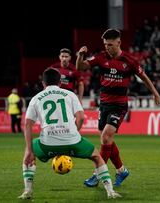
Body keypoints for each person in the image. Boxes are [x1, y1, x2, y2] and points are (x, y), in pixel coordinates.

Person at [18, 68, 120, 200]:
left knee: (28, 152)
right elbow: (81, 117)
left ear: (43, 83)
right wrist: (72, 133)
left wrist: (31, 151)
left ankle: (28, 191)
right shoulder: (70, 94)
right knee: (97, 157)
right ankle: (110, 191)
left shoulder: (36, 98)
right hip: (73, 142)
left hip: (47, 144)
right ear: (60, 82)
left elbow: (27, 125)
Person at [76, 29, 160, 187]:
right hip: (104, 104)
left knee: (106, 137)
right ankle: (122, 170)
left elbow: (143, 77)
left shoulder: (129, 61)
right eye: (105, 44)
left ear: (118, 42)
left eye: (110, 44)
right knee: (107, 139)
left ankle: (97, 174)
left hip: (119, 105)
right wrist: (80, 55)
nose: (107, 47)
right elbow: (81, 67)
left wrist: (155, 93)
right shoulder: (101, 57)